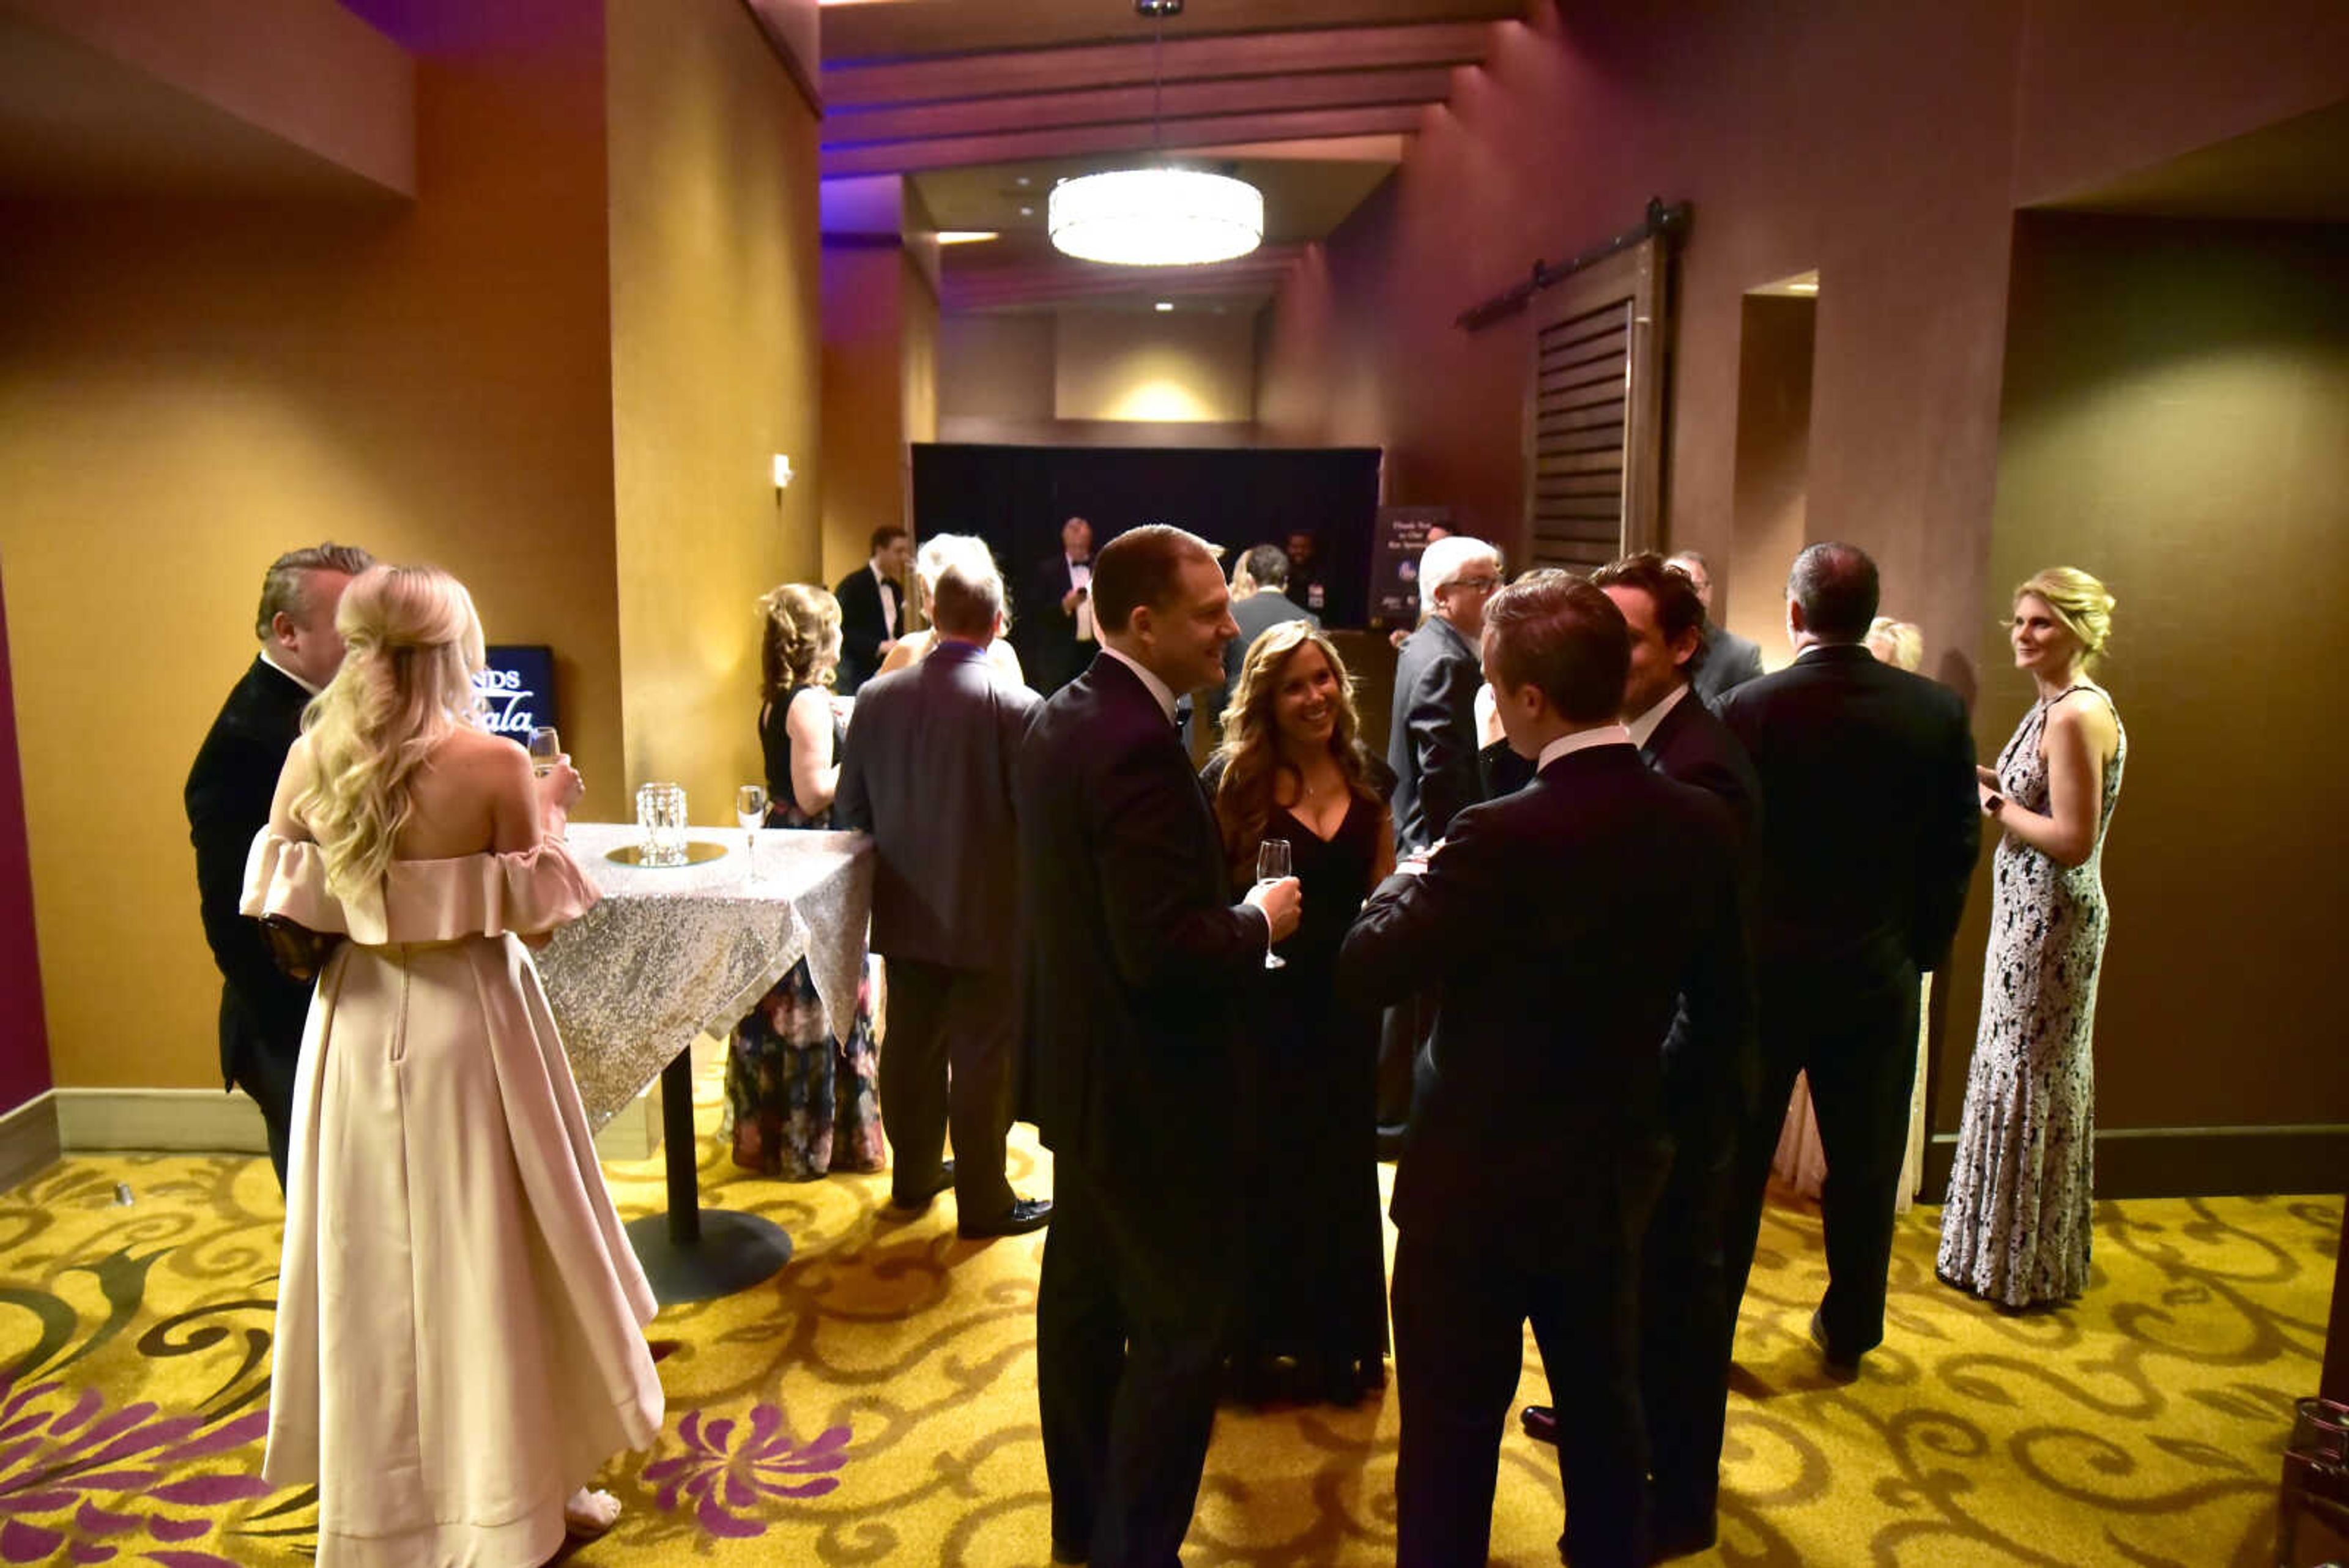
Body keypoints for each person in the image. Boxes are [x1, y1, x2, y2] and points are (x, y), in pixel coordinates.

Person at [242, 563, 662, 1564]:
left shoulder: (311, 760)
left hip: (354, 1024)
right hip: (472, 1025)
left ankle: (403, 1508)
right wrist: (549, 807)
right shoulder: (493, 761)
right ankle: (515, 1499)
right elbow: (540, 922)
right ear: (452, 650)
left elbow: (285, 911)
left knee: (373, 1263)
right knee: (495, 1252)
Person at [1339, 575, 1748, 1568]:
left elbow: (1367, 967)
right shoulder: (1698, 822)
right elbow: (1727, 1009)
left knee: (1450, 1433)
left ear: (1529, 699)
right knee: (1606, 1410)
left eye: (1492, 681)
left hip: (1470, 1181)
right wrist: (1645, 1116)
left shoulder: (1494, 837)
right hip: (1606, 1169)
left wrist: (1409, 881)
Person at [1018, 524, 1302, 1567]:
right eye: (1210, 612)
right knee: (1181, 1334)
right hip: (1151, 1089)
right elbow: (1161, 949)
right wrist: (1261, 918)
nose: (1233, 621)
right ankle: (1133, 1546)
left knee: (1085, 1310)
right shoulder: (1134, 743)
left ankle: (1083, 1525)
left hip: (1086, 1073)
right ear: (1144, 622)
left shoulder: (1067, 714)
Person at [1515, 552, 1762, 1559]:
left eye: (1628, 639)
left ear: (1683, 647)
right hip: (1621, 1092)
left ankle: (1684, 1496)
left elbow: (1719, 970)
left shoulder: (1704, 765)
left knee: (1677, 1304)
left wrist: (1662, 1096)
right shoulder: (1621, 741)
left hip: (1675, 1097)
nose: (1606, 656)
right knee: (1623, 1295)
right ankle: (1611, 1429)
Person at [1716, 543, 1980, 1378]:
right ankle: (1854, 1324)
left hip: (1760, 973)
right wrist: (1921, 952)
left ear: (1795, 615)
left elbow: (1724, 844)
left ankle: (1708, 1325)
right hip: (1877, 970)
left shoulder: (1745, 708)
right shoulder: (1935, 711)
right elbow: (1957, 846)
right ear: (1872, 613)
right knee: (1864, 1164)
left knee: (1733, 1166)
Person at [834, 547, 1052, 1239]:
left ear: (930, 614)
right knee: (984, 1055)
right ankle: (984, 1201)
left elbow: (852, 811)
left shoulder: (874, 698)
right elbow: (1040, 822)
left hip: (903, 906)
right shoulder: (1021, 707)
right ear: (995, 626)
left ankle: (915, 1174)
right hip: (992, 913)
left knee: (910, 1045)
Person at [1203, 622, 1393, 1406]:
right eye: (1293, 685)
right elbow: (1209, 906)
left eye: (1323, 680)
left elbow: (1384, 896)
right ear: (1265, 700)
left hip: (1344, 1009)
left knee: (1339, 1168)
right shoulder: (1232, 782)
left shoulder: (1368, 774)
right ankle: (1253, 1343)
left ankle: (1334, 1342)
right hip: (1262, 1007)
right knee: (1263, 1167)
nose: (1314, 697)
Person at [1939, 568, 2126, 1309]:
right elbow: (2030, 792)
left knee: (2028, 1076)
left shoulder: (2077, 714)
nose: (2023, 635)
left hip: (2052, 920)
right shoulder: (2051, 706)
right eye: (2018, 621)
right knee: (2010, 1067)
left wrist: (1988, 801)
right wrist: (1965, 769)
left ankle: (2021, 1266)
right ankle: (2001, 1254)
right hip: (2024, 910)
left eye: (2041, 623)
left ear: (2079, 631)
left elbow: (2073, 839)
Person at [185, 541, 373, 1189]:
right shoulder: (246, 740)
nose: (373, 644)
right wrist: (321, 1026)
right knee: (332, 1225)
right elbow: (237, 919)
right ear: (287, 631)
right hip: (295, 1026)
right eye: (355, 626)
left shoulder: (331, 710)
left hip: (351, 1016)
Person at [728, 583, 885, 1178]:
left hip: (780, 842)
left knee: (786, 991)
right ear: (825, 639)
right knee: (818, 987)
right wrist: (867, 749)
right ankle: (818, 1140)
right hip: (813, 855)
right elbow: (815, 790)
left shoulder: (779, 700)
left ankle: (775, 1134)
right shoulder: (810, 706)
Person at [1379, 534, 1501, 1149]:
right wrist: (1459, 847)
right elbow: (1441, 770)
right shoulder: (1451, 659)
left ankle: (1393, 1115)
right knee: (1421, 1000)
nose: (1497, 591)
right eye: (1484, 583)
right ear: (1445, 597)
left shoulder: (1420, 644)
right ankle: (1401, 1120)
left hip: (1415, 838)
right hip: (1434, 846)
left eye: (1498, 577)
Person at [874, 533, 1026, 685]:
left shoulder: (1001, 657)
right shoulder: (907, 650)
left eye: (927, 593)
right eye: (924, 593)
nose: (925, 606)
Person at [1213, 543, 1319, 740]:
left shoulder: (1230, 615)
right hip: (1289, 725)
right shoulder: (1310, 621)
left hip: (1239, 721)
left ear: (1251, 579)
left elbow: (1218, 673)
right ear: (1286, 581)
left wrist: (1217, 719)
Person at [1667, 550, 1765, 708]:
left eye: (1694, 587)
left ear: (1709, 592)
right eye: (1676, 588)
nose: (1686, 596)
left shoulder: (1742, 656)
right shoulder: (1646, 647)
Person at [1023, 515, 1097, 697]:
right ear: (1065, 542)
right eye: (1074, 547)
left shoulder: (1100, 566)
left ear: (1089, 542)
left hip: (1095, 653)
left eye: (1083, 546)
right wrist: (1065, 606)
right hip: (1062, 656)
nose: (1079, 551)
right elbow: (1036, 614)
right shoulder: (1048, 571)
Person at [833, 524, 911, 694]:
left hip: (889, 672)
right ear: (879, 550)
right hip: (858, 675)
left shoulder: (896, 588)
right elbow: (842, 630)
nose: (904, 558)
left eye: (906, 551)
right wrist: (879, 646)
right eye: (898, 551)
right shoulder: (853, 585)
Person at [1282, 529, 1327, 616]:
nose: (1299, 551)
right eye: (1295, 547)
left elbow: (1316, 607)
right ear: (1288, 548)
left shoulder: (1318, 575)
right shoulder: (1280, 573)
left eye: (1304, 547)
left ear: (1312, 549)